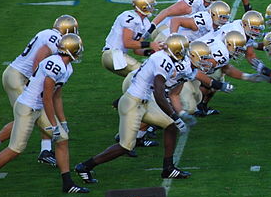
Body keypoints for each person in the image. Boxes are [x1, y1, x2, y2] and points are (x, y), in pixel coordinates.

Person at [75, 35, 193, 184]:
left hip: (144, 101)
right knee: (126, 146)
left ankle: (168, 168)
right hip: (133, 103)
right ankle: (85, 166)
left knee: (170, 126)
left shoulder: (165, 57)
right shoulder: (163, 61)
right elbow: (159, 92)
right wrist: (174, 115)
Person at [0, 34, 89, 197]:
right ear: (72, 52)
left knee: (62, 139)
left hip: (38, 108)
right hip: (27, 107)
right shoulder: (56, 65)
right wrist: (54, 125)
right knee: (16, 149)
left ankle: (67, 184)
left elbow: (56, 96)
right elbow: (46, 97)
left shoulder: (67, 68)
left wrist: (63, 121)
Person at [0, 15, 78, 169]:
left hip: (14, 74)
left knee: (33, 115)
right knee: (30, 114)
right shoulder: (54, 39)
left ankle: (45, 149)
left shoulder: (47, 33)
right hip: (19, 77)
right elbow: (39, 58)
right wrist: (36, 80)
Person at [102, 0, 163, 77]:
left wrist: (152, 52)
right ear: (144, 7)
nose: (153, 8)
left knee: (143, 78)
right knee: (144, 75)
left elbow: (136, 50)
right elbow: (127, 43)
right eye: (151, 5)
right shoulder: (129, 17)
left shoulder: (145, 23)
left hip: (119, 56)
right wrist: (151, 44)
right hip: (112, 54)